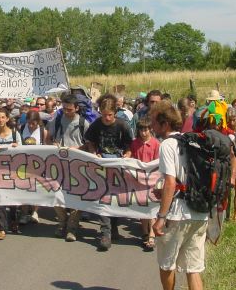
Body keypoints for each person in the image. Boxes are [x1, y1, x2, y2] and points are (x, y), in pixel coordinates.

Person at [150, 100, 208, 290]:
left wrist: (160, 217)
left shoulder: (167, 145)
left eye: (154, 122)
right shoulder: (191, 141)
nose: (152, 126)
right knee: (194, 269)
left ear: (164, 124)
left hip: (177, 214)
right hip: (199, 212)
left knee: (167, 265)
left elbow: (170, 182)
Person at [83, 93, 133, 251]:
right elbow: (89, 140)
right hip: (102, 166)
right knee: (103, 199)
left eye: (109, 115)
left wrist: (127, 155)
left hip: (118, 166)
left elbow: (131, 145)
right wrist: (93, 152)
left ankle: (113, 227)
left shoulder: (123, 125)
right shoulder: (97, 124)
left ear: (115, 113)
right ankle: (105, 233)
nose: (106, 118)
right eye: (104, 115)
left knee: (116, 200)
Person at [46, 93, 89, 242]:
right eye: (64, 108)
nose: (66, 111)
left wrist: (77, 148)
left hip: (77, 166)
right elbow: (48, 137)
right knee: (56, 195)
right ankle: (62, 223)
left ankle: (72, 228)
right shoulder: (57, 120)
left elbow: (89, 144)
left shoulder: (84, 123)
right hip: (58, 165)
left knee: (77, 198)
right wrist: (52, 145)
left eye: (69, 109)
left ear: (77, 108)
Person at [124, 117, 160, 251]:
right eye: (141, 130)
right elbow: (131, 156)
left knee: (152, 207)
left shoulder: (156, 144)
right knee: (141, 207)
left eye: (146, 130)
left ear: (150, 129)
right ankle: (144, 232)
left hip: (151, 180)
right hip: (138, 180)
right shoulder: (134, 143)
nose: (143, 133)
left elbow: (158, 162)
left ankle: (152, 234)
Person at [0, 107, 22, 240]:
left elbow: (23, 151)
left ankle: (13, 221)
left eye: (3, 117)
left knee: (13, 200)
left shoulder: (15, 134)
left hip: (13, 171)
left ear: (7, 119)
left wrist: (16, 147)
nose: (0, 120)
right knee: (0, 200)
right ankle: (1, 228)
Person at [18, 110, 47, 224]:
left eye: (33, 123)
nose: (30, 125)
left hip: (38, 164)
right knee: (24, 188)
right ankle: (24, 213)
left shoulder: (42, 131)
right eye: (29, 123)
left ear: (38, 122)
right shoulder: (21, 129)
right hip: (23, 163)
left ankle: (35, 211)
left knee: (36, 188)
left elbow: (46, 147)